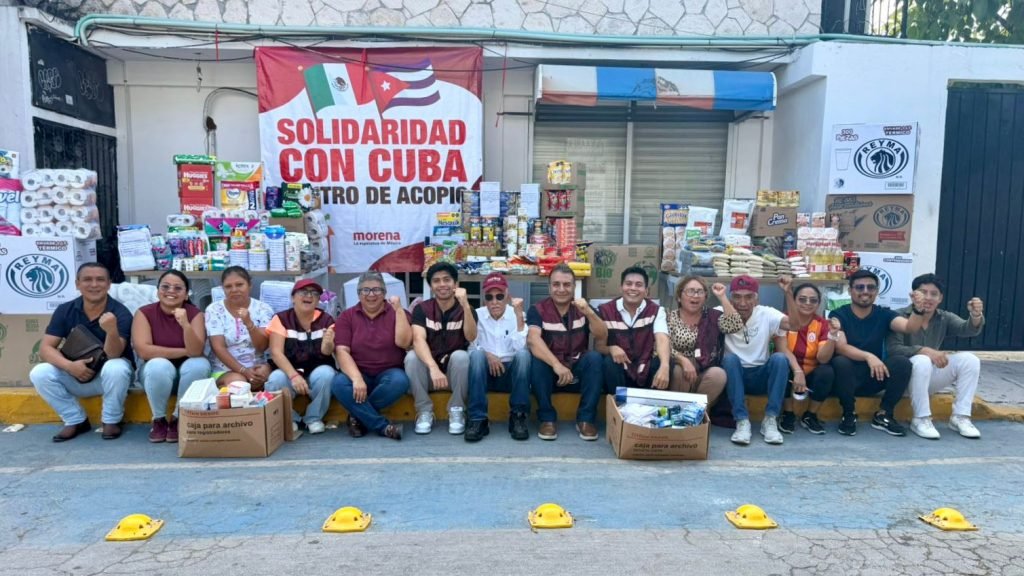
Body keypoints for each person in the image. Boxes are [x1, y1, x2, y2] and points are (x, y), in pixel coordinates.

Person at [30, 262, 134, 441]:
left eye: (100, 279)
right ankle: (75, 420)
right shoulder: (65, 310)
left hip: (108, 378)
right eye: (87, 279)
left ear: (109, 284)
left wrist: (111, 330)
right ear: (77, 284)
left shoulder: (120, 312)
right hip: (75, 373)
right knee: (39, 372)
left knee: (116, 367)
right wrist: (69, 366)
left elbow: (114, 355)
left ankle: (111, 420)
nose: (94, 285)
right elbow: (45, 348)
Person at [887, 274, 985, 439]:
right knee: (922, 360)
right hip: (902, 380)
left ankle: (960, 417)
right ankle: (921, 418)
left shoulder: (943, 317)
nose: (928, 297)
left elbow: (966, 329)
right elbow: (893, 349)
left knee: (970, 360)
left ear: (940, 298)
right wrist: (924, 350)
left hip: (927, 378)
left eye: (934, 294)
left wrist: (975, 315)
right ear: (913, 295)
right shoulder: (898, 316)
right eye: (923, 292)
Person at [830, 269, 926, 437]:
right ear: (850, 290)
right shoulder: (838, 314)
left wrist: (918, 310)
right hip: (846, 379)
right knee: (840, 361)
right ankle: (848, 414)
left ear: (876, 291)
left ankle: (884, 414)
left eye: (871, 287)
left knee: (902, 363)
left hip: (875, 375)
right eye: (859, 287)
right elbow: (841, 347)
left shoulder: (884, 314)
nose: (865, 291)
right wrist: (869, 356)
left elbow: (909, 327)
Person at [527, 263, 608, 441]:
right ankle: (547, 419)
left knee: (594, 358)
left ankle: (586, 419)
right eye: (556, 284)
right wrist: (556, 365)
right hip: (550, 373)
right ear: (549, 287)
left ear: (574, 287)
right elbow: (533, 339)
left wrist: (589, 313)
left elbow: (602, 334)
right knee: (537, 360)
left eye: (567, 285)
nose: (561, 289)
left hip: (576, 370)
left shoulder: (582, 308)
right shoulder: (538, 309)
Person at [132, 270, 210, 443]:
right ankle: (159, 420)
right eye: (165, 287)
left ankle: (178, 417)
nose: (171, 291)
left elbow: (196, 351)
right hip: (155, 378)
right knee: (159, 365)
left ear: (186, 294)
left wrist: (185, 324)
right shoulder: (144, 313)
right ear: (158, 291)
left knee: (199, 364)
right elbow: (144, 351)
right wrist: (185, 351)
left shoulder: (194, 314)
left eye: (178, 288)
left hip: (187, 379)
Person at [720, 275, 798, 446]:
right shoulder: (721, 311)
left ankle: (770, 419)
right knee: (730, 359)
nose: (742, 303)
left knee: (780, 359)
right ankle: (741, 421)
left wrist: (788, 293)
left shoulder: (766, 313)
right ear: (730, 298)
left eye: (749, 297)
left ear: (757, 298)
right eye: (737, 297)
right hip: (734, 376)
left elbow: (794, 325)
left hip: (760, 375)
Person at [331, 271, 409, 440]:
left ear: (385, 292)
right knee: (339, 383)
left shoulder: (397, 312)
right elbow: (342, 351)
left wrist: (399, 310)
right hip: (359, 371)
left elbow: (404, 343)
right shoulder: (347, 316)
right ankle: (383, 427)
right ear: (358, 294)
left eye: (376, 290)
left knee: (400, 381)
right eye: (365, 290)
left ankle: (357, 417)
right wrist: (357, 379)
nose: (371, 295)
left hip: (389, 372)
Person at [406, 262, 478, 435]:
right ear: (431, 286)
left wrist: (465, 305)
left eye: (447, 280)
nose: (442, 284)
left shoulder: (466, 309)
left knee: (461, 356)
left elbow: (471, 336)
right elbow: (418, 339)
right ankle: (424, 411)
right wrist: (433, 368)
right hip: (428, 376)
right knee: (412, 357)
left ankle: (457, 410)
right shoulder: (422, 309)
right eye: (436, 281)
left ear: (456, 284)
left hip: (455, 377)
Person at [264, 279, 337, 436]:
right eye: (304, 292)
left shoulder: (327, 319)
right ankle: (290, 418)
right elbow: (276, 353)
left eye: (314, 293)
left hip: (316, 370)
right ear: (293, 298)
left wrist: (328, 343)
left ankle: (313, 418)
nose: (309, 296)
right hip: (289, 371)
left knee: (327, 374)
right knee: (275, 378)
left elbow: (327, 352)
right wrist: (294, 376)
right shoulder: (281, 319)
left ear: (318, 300)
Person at [465, 272, 531, 442]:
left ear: (507, 296)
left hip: (509, 373)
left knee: (523, 356)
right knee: (477, 355)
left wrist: (519, 317)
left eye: (499, 296)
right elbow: (471, 347)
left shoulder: (517, 314)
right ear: (484, 299)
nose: (494, 302)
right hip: (484, 372)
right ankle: (477, 419)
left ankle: (518, 416)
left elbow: (520, 347)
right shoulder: (477, 315)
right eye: (489, 297)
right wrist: (488, 355)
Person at [666, 276, 742, 405]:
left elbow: (735, 325)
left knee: (718, 374)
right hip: (678, 367)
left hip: (704, 367)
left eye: (700, 292)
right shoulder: (670, 317)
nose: (695, 296)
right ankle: (678, 409)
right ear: (679, 296)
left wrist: (722, 297)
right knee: (679, 372)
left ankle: (697, 410)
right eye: (690, 291)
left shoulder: (712, 316)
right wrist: (683, 360)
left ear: (705, 297)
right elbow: (660, 346)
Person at [777, 278, 837, 435]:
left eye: (813, 300)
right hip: (790, 370)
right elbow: (782, 349)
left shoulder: (822, 324)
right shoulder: (783, 320)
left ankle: (810, 415)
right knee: (781, 363)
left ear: (818, 304)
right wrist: (798, 372)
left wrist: (832, 335)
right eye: (802, 299)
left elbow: (823, 359)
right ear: (794, 301)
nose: (807, 303)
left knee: (827, 370)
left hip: (811, 373)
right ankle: (788, 413)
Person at [596, 266, 670, 392]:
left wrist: (665, 366)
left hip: (645, 367)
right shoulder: (605, 310)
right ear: (621, 288)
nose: (633, 288)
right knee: (609, 362)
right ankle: (617, 402)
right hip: (619, 370)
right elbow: (598, 346)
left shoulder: (656, 311)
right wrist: (611, 348)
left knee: (662, 362)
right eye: (628, 284)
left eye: (639, 285)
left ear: (646, 291)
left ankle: (650, 403)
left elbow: (662, 339)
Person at [205, 266, 274, 388]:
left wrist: (249, 324)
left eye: (239, 285)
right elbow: (218, 348)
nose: (234, 290)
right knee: (239, 383)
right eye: (228, 286)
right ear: (223, 289)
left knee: (269, 377)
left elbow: (262, 347)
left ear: (250, 285)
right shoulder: (214, 310)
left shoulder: (263, 309)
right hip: (225, 369)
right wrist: (243, 371)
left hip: (257, 366)